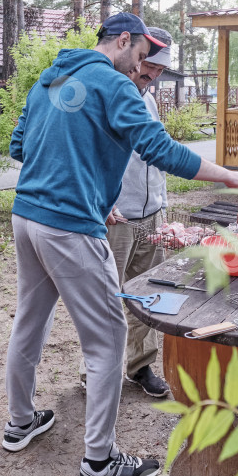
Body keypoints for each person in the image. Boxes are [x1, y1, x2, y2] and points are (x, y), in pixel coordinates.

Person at [2, 12, 238, 476]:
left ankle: (20, 422)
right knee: (108, 338)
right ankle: (99, 462)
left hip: (26, 216)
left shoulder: (50, 80)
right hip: (67, 226)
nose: (141, 67)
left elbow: (21, 146)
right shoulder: (115, 84)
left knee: (28, 321)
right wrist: (226, 174)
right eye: (141, 56)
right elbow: (160, 148)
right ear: (123, 41)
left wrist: (86, 186)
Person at [78, 26, 174, 398]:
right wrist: (101, 203)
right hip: (115, 218)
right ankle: (94, 372)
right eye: (148, 65)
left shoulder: (147, 98)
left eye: (161, 70)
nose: (152, 75)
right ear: (134, 55)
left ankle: (141, 365)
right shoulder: (103, 91)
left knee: (149, 296)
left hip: (151, 216)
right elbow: (84, 153)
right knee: (104, 300)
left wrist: (162, 204)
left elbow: (156, 153)